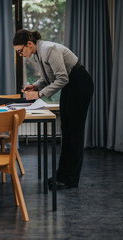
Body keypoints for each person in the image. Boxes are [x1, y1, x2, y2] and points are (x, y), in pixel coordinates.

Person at [13, 29, 94, 190]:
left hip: (79, 84)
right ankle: (62, 174)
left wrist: (40, 94)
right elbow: (47, 77)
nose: (20, 55)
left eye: (21, 51)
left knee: (74, 132)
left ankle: (71, 179)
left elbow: (62, 77)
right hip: (70, 86)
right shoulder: (38, 53)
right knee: (66, 130)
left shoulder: (49, 49)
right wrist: (35, 86)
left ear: (29, 44)